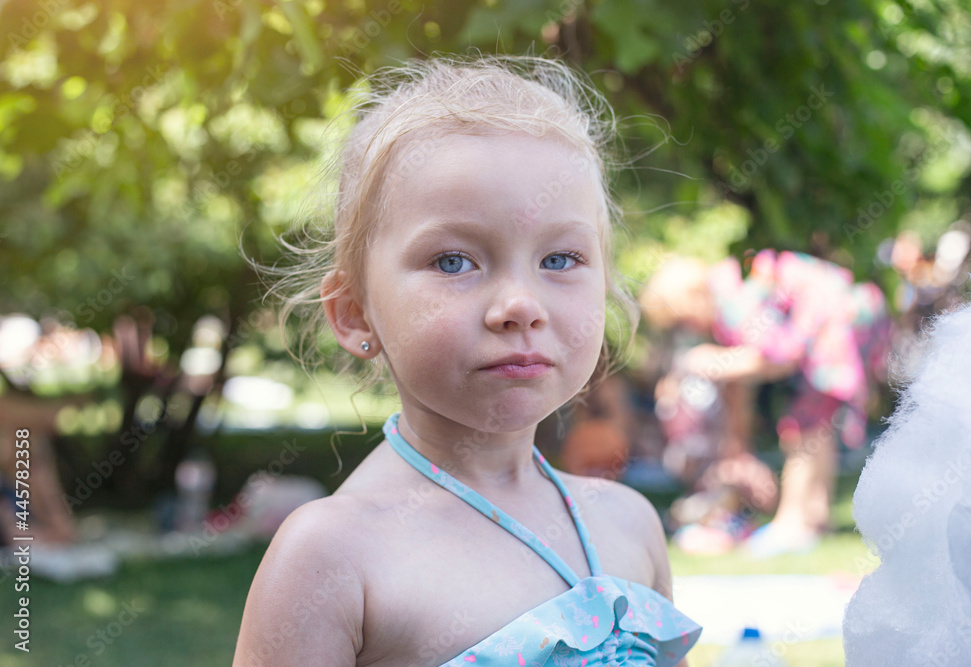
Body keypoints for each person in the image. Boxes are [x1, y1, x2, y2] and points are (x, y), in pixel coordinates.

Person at [233, 56, 701, 667]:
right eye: (454, 261)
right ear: (354, 312)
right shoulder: (333, 556)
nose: (519, 305)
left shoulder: (628, 523)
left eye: (560, 259)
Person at [640, 251, 891, 556]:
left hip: (836, 322)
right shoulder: (735, 286)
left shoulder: (732, 299)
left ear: (691, 299)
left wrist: (714, 361)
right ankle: (816, 516)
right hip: (853, 313)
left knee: (802, 428)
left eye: (682, 320)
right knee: (815, 422)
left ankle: (793, 524)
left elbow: (778, 358)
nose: (689, 329)